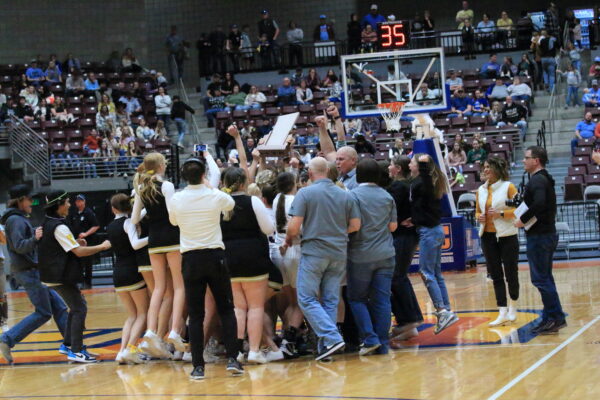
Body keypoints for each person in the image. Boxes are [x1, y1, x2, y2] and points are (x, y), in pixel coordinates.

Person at [169, 155, 244, 379]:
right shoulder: (214, 194)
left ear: (184, 177)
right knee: (226, 309)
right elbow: (230, 204)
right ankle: (232, 359)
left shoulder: (176, 199)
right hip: (215, 256)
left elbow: (174, 222)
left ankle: (198, 366)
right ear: (203, 175)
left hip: (191, 259)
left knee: (195, 314)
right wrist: (210, 187)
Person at [286, 157, 361, 361]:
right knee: (330, 300)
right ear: (327, 171)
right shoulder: (345, 194)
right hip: (338, 252)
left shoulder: (305, 193)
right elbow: (355, 225)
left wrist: (289, 238)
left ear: (310, 173)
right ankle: (326, 347)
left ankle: (332, 337)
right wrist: (336, 232)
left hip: (314, 252)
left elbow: (293, 228)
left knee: (306, 298)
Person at [37, 190, 111, 363]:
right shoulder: (59, 226)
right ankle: (76, 351)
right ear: (59, 205)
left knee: (76, 306)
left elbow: (61, 247)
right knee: (79, 308)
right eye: (67, 202)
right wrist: (102, 246)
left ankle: (68, 345)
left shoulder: (49, 222)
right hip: (59, 275)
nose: (70, 205)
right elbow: (78, 252)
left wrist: (76, 243)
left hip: (53, 274)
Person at [0, 185, 69, 365]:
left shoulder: (19, 219)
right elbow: (19, 246)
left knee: (60, 307)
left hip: (32, 271)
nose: (32, 203)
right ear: (20, 200)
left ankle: (72, 345)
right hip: (28, 271)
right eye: (29, 199)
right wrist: (36, 237)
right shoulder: (15, 220)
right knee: (44, 312)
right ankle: (7, 339)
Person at [220, 165, 275, 364]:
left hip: (228, 259)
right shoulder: (253, 201)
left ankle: (237, 352)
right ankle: (254, 351)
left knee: (238, 308)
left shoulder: (219, 203)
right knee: (256, 307)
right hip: (253, 257)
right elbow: (269, 229)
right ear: (243, 183)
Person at [132, 152, 185, 359]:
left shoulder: (141, 188)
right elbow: (173, 216)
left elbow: (135, 217)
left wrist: (151, 214)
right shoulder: (167, 186)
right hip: (172, 238)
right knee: (179, 286)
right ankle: (173, 331)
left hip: (153, 241)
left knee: (160, 288)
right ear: (162, 166)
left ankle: (151, 332)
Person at [346, 159, 397, 355]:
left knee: (357, 298)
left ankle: (370, 338)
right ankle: (383, 343)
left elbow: (354, 225)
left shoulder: (352, 196)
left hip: (360, 255)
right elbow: (393, 227)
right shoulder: (387, 196)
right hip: (385, 254)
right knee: (382, 300)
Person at [515, 146, 566, 334]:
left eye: (526, 158)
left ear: (536, 160)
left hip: (540, 236)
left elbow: (539, 204)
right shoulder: (543, 178)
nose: (523, 161)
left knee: (541, 279)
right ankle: (549, 318)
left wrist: (522, 220)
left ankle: (556, 317)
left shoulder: (537, 180)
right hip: (545, 234)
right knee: (545, 278)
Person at [409, 154, 458, 334]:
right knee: (436, 273)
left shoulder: (423, 182)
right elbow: (422, 209)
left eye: (412, 162)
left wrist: (422, 163)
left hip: (429, 231)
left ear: (421, 167)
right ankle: (446, 310)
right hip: (435, 229)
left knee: (426, 272)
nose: (409, 164)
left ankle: (442, 310)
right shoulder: (428, 184)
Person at [476, 157, 520, 326]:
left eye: (488, 167)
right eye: (484, 167)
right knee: (495, 275)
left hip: (507, 235)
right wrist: (478, 217)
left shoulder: (508, 187)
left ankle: (513, 306)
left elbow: (519, 210)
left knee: (511, 273)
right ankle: (501, 310)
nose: (485, 170)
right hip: (487, 236)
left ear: (497, 169)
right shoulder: (480, 190)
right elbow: (477, 211)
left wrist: (501, 214)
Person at [106, 194, 149, 365]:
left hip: (117, 273)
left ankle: (122, 351)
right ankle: (131, 348)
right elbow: (135, 244)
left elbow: (141, 213)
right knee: (143, 314)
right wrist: (154, 238)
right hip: (131, 271)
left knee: (131, 315)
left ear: (113, 208)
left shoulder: (110, 226)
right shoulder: (127, 223)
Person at [387, 156, 423, 342]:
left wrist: (414, 219)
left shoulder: (399, 187)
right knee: (399, 276)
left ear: (398, 169)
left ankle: (408, 320)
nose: (389, 167)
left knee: (396, 276)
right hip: (406, 235)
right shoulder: (406, 185)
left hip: (403, 235)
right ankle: (410, 321)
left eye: (391, 164)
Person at [270, 172, 303, 358]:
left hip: (278, 252)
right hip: (293, 249)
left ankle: (291, 336)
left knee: (291, 301)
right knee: (300, 302)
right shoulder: (295, 200)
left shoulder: (277, 199)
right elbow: (298, 229)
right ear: (294, 184)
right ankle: (288, 341)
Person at [67, 194, 100, 289]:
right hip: (77, 243)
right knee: (78, 263)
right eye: (77, 201)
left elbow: (96, 226)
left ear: (84, 201)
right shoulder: (74, 213)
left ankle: (88, 283)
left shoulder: (88, 212)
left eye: (80, 200)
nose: (78, 202)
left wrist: (86, 234)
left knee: (88, 263)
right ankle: (80, 282)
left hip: (88, 242)